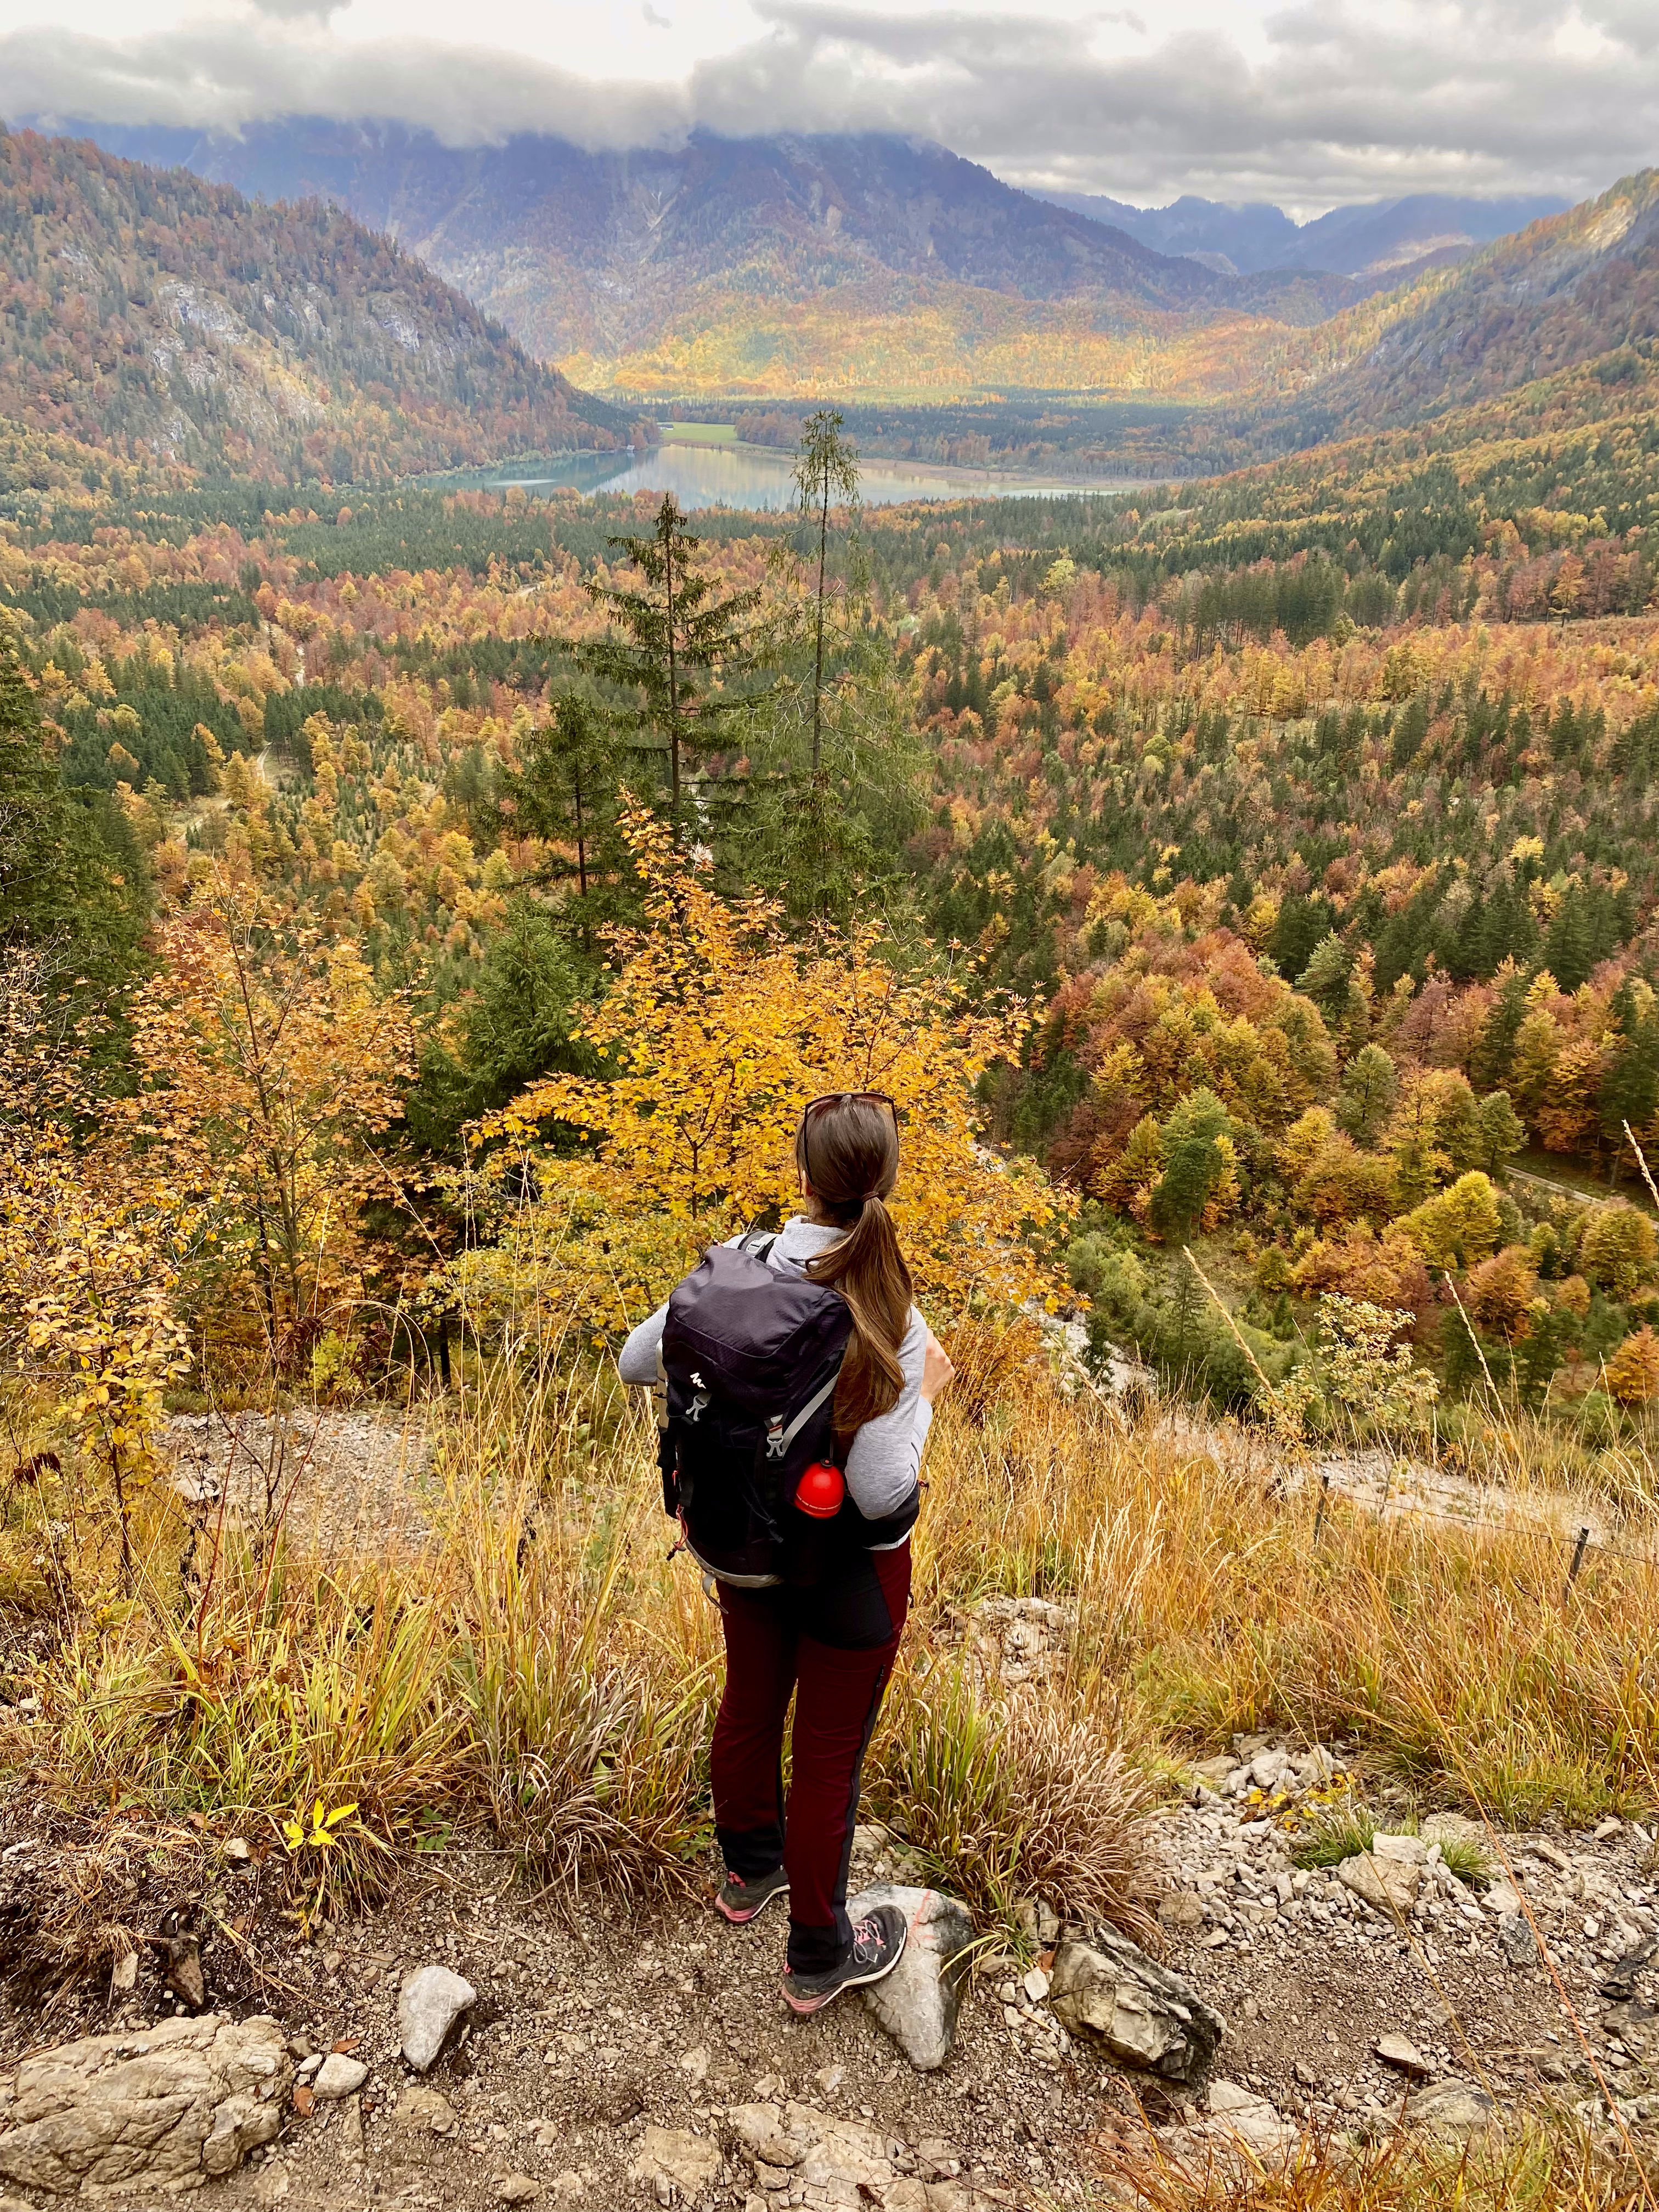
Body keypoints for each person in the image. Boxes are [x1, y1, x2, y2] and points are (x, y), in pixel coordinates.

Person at [619, 1091, 955, 2014]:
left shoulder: (742, 1267)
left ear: (801, 1180)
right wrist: (921, 1393)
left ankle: (748, 1873)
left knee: (751, 1701)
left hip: (743, 1544)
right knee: (830, 1757)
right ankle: (818, 1955)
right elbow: (884, 1489)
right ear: (883, 1186)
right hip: (849, 1570)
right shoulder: (891, 1309)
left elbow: (636, 1362)